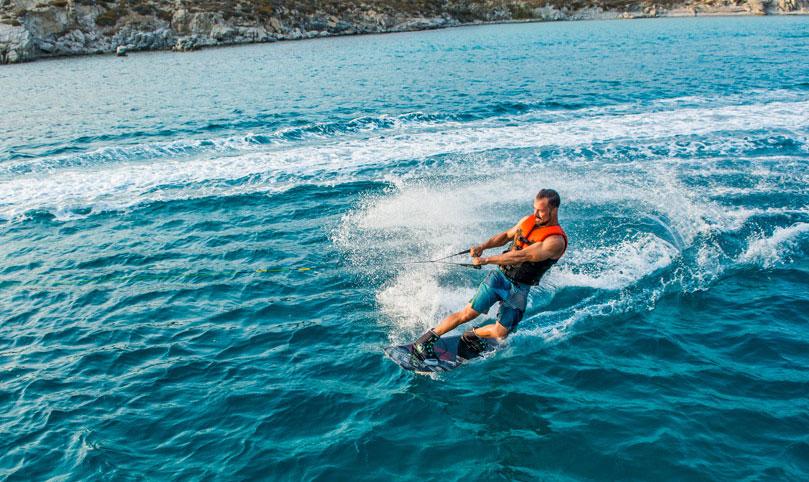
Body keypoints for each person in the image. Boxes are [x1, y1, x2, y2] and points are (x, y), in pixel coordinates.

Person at [413, 188, 568, 365]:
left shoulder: (555, 241)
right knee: (467, 313)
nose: (536, 214)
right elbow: (505, 236)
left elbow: (522, 256)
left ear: (554, 210)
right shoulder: (527, 221)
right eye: (534, 208)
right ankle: (424, 342)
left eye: (540, 211)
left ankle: (472, 335)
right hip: (500, 278)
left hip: (519, 289)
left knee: (501, 333)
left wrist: (487, 260)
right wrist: (482, 246)